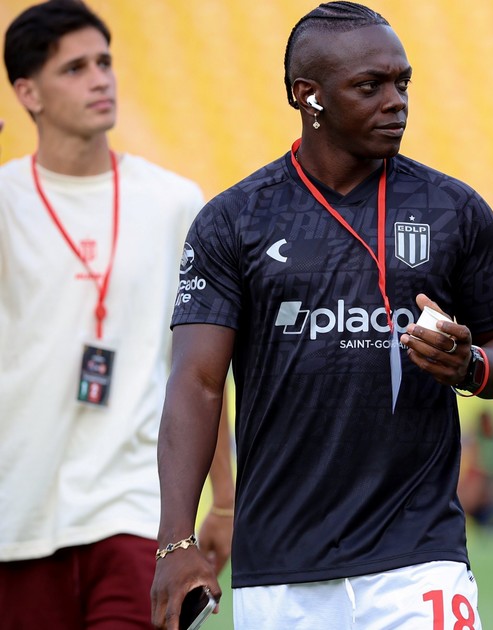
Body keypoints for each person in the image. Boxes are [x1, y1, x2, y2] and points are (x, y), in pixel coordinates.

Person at [149, 2, 493, 628]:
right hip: (280, 569)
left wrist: (472, 366)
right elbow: (196, 382)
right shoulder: (234, 221)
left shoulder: (453, 210)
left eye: (402, 83)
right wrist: (175, 539)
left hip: (420, 557)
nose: (396, 102)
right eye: (370, 86)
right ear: (309, 96)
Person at [0, 1, 235, 628]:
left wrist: (224, 501)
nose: (100, 79)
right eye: (74, 68)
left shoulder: (173, 201)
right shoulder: (4, 199)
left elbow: (201, 362)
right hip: (18, 515)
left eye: (104, 62)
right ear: (28, 93)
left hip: (134, 511)